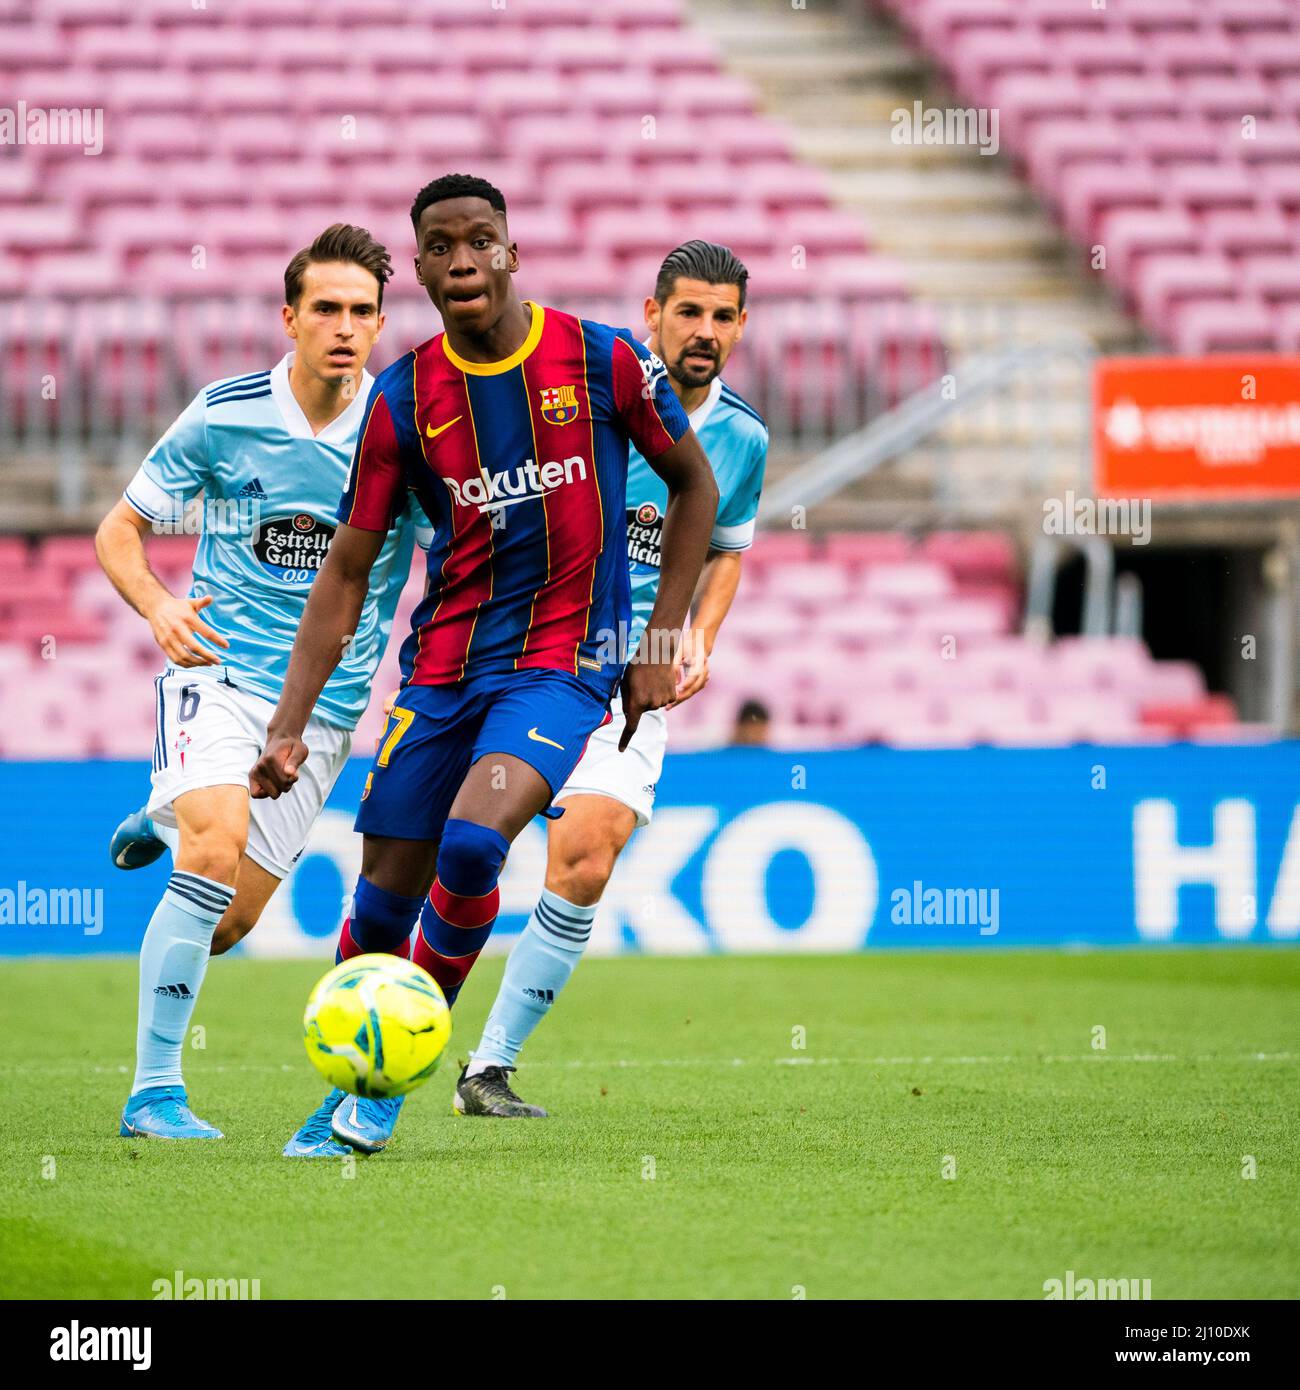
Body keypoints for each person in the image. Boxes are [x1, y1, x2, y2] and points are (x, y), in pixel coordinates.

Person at [252, 174, 720, 1157]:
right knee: (380, 900)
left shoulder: (601, 359)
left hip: (564, 664)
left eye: (481, 241)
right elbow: (345, 568)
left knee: (472, 847)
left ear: (511, 251)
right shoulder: (401, 398)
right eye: (441, 246)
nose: (463, 259)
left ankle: (382, 1089)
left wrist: (660, 638)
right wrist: (289, 721)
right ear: (418, 267)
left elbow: (694, 487)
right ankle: (342, 1079)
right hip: (441, 671)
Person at [96, 225, 426, 1145]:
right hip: (222, 676)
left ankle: (162, 815)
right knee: (213, 848)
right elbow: (117, 531)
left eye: (363, 311)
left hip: (324, 711)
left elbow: (455, 557)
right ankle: (153, 1094)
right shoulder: (224, 413)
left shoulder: (402, 432)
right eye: (326, 308)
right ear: (289, 317)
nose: (345, 327)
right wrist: (160, 608)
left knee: (230, 919)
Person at [459, 240, 768, 1117]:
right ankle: (396, 1008)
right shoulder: (594, 396)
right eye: (688, 313)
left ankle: (487, 1068)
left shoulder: (742, 437)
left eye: (721, 317)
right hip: (523, 653)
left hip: (629, 675)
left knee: (588, 855)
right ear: (653, 315)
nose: (703, 331)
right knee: (458, 852)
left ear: (740, 327)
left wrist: (695, 639)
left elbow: (727, 553)